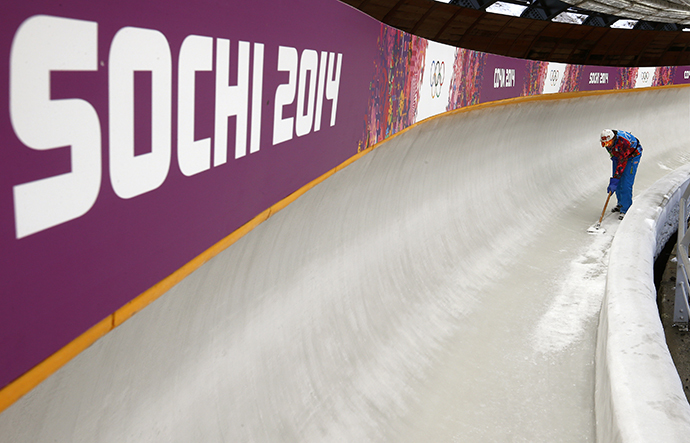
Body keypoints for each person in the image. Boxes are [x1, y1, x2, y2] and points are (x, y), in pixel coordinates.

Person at [600, 129, 642, 220]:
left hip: (631, 156)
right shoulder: (609, 144)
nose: (607, 145)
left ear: (614, 139)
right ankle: (620, 204)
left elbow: (622, 161)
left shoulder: (624, 143)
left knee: (626, 181)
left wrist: (616, 178)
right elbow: (614, 154)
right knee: (617, 181)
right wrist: (615, 179)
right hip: (618, 155)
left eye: (608, 143)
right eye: (604, 144)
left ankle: (626, 208)